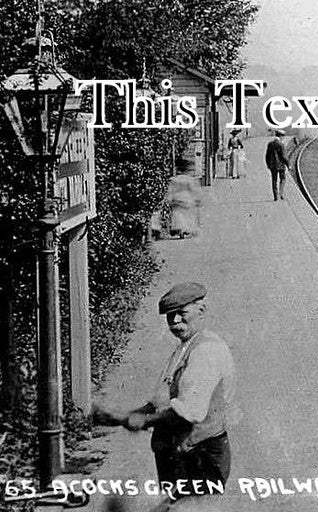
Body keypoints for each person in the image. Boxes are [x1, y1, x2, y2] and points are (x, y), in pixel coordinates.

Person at [98, 282, 235, 492]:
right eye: (170, 316)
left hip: (198, 455)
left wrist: (144, 420)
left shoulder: (206, 350)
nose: (175, 321)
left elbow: (189, 412)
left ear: (202, 310)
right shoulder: (185, 347)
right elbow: (161, 401)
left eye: (181, 313)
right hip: (181, 453)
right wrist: (121, 416)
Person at [166, 159, 202, 238]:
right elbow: (194, 189)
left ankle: (179, 229)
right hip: (187, 198)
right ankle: (186, 229)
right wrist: (197, 198)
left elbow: (171, 190)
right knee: (188, 214)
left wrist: (169, 199)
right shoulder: (189, 179)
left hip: (177, 197)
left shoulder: (174, 179)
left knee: (178, 214)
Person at [265, 129, 289, 201]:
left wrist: (268, 164)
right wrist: (288, 164)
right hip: (281, 165)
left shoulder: (270, 144)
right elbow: (284, 156)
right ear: (281, 136)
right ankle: (280, 194)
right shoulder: (281, 144)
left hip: (273, 165)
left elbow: (267, 156)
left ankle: (276, 196)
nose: (283, 138)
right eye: (283, 136)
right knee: (283, 179)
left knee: (274, 180)